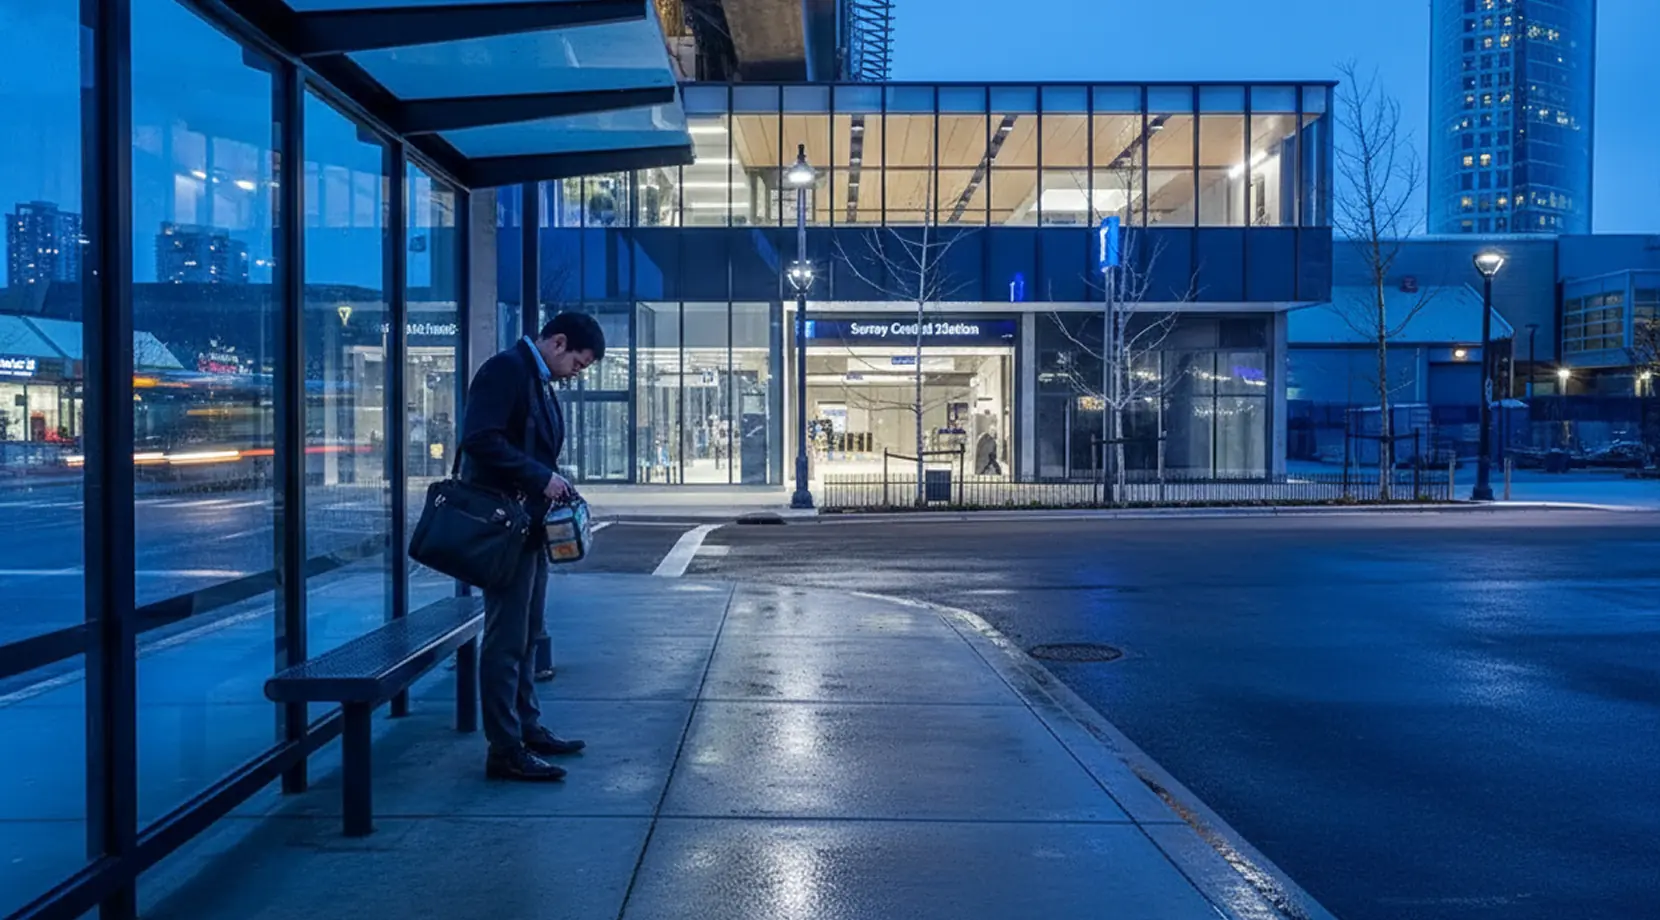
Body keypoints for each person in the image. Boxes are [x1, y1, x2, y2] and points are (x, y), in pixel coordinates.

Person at [458, 312, 604, 781]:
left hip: (526, 526)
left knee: (526, 632)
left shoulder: (535, 379)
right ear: (559, 343)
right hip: (506, 526)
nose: (576, 373)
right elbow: (479, 440)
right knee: (506, 638)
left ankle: (526, 728)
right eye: (578, 364)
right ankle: (505, 747)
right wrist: (542, 477)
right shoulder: (506, 371)